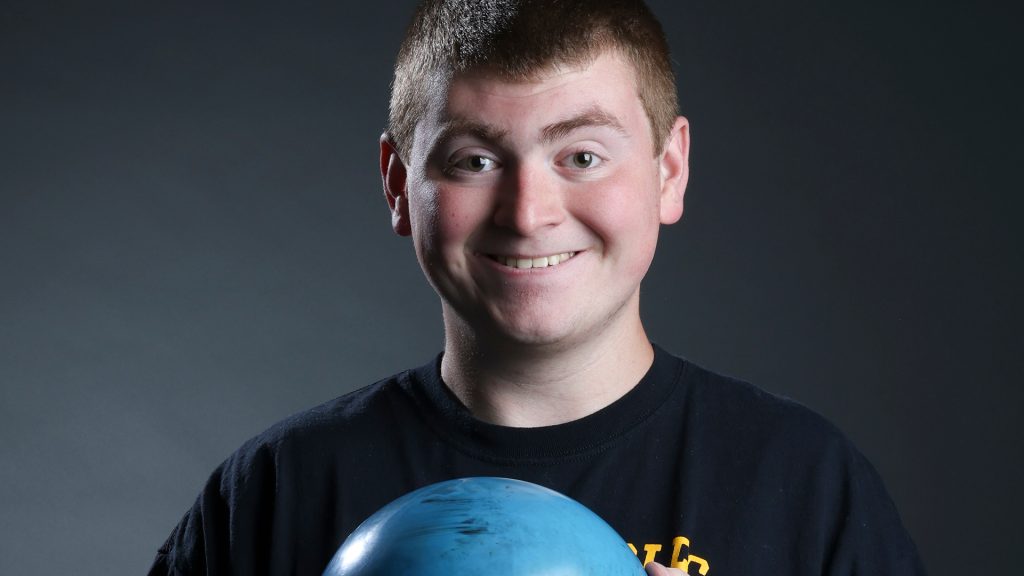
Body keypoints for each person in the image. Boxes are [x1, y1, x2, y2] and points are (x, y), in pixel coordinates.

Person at [150, 1, 926, 574]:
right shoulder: (278, 493)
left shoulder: (804, 485)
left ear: (670, 170)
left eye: (582, 156)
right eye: (474, 161)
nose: (528, 215)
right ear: (397, 185)